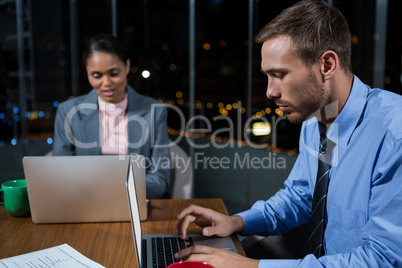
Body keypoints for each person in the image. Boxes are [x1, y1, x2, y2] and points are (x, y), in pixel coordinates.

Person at [174, 1, 402, 267]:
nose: (270, 91)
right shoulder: (318, 117)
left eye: (279, 75)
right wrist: (238, 222)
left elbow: (384, 259)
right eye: (268, 76)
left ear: (327, 65)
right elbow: (302, 197)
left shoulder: (393, 136)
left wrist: (251, 267)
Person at [53, 34, 170, 199]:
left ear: (127, 67)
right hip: (86, 203)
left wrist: (119, 193)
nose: (106, 82)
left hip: (136, 202)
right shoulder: (68, 111)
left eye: (114, 73)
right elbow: (61, 173)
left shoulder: (154, 111)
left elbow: (160, 179)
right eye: (96, 75)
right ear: (87, 73)